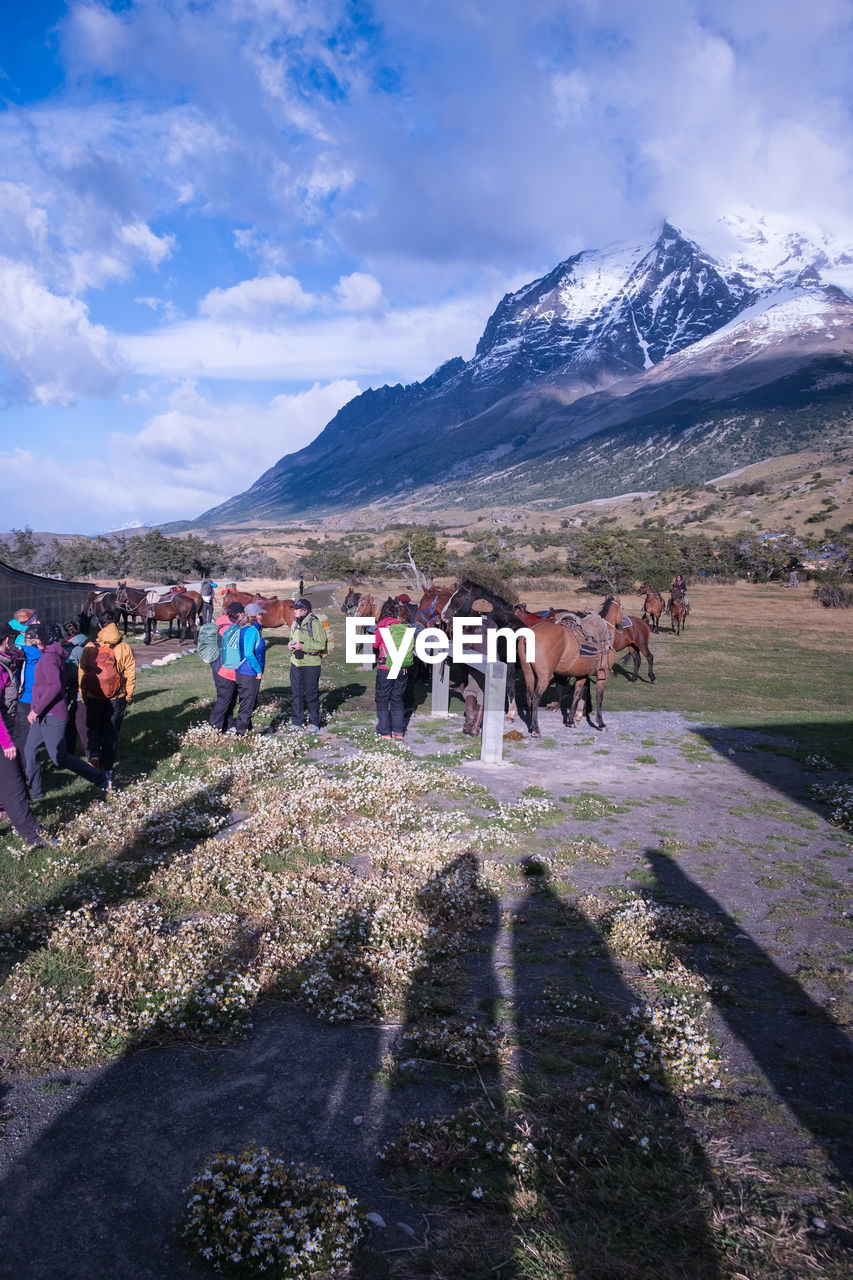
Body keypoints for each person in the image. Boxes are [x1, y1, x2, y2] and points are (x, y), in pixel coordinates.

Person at [24, 623, 108, 801]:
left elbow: (55, 686)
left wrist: (35, 710)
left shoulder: (48, 659)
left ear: (44, 640)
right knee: (29, 751)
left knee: (60, 758)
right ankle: (34, 794)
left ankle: (99, 778)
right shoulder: (50, 654)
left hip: (52, 715)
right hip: (42, 715)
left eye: (36, 637)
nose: (33, 639)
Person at [78, 611, 136, 789]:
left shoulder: (90, 646)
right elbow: (130, 673)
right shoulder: (124, 647)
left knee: (94, 728)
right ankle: (108, 774)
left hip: (94, 696)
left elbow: (82, 672)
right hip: (116, 697)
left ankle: (94, 755)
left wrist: (84, 693)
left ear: (100, 626)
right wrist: (127, 695)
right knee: (111, 733)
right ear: (116, 624)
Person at [373, 601, 415, 740]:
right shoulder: (406, 627)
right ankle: (398, 732)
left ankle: (384, 732)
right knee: (397, 699)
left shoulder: (383, 625)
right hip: (402, 669)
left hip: (386, 667)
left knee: (383, 699)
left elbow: (375, 643)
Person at [288, 598, 326, 731]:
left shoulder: (314, 623)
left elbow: (321, 644)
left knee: (311, 693)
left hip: (311, 664)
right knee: (296, 693)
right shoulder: (294, 623)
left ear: (305, 611)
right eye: (295, 609)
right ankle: (297, 722)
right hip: (296, 663)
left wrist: (302, 646)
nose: (295, 611)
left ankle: (314, 722)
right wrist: (291, 645)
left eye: (297, 609)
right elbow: (292, 638)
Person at [208, 602, 243, 733]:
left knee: (230, 699)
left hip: (221, 667)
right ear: (239, 614)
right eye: (243, 612)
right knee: (224, 700)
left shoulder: (223, 623)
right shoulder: (229, 629)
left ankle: (227, 726)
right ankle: (215, 728)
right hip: (225, 670)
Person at [62, 620, 90, 758]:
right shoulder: (87, 644)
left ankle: (92, 755)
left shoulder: (72, 650)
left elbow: (73, 674)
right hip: (88, 691)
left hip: (78, 693)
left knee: (80, 725)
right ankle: (71, 750)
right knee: (74, 721)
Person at [14, 626, 43, 755]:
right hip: (42, 700)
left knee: (22, 737)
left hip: (23, 699)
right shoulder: (46, 655)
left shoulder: (20, 654)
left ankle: (22, 767)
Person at [0, 624, 23, 745]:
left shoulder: (5, 663)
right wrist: (6, 743)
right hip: (3, 733)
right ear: (7, 640)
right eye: (13, 638)